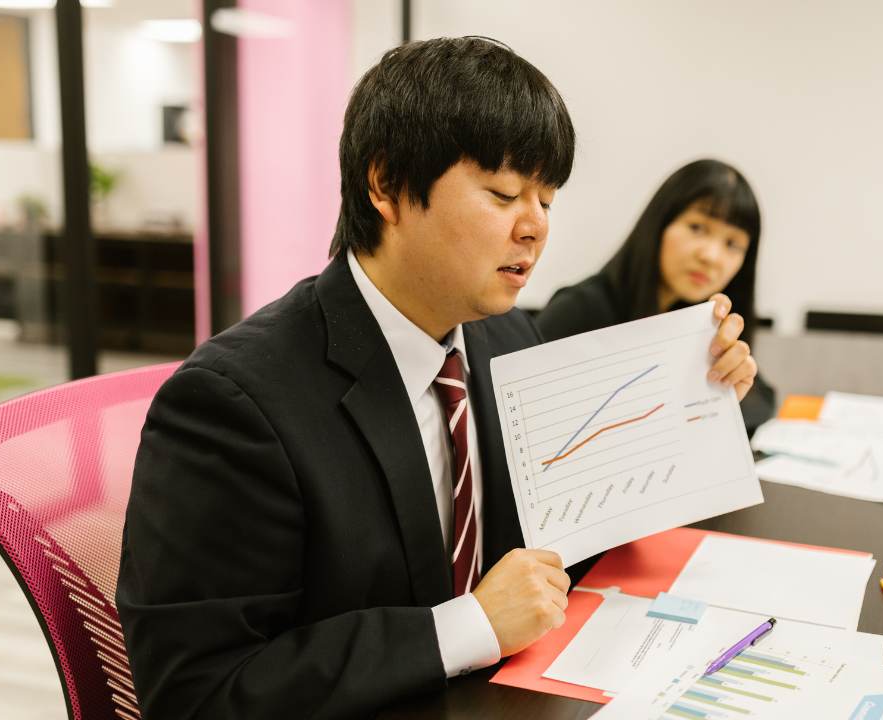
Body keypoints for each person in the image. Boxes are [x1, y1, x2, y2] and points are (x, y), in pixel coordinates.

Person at [116, 38, 759, 719]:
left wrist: (695, 402)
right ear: (387, 185)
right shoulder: (233, 404)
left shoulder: (505, 339)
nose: (535, 228)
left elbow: (567, 523)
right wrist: (471, 625)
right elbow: (195, 694)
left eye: (546, 199)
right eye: (505, 193)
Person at [535, 159, 776, 434]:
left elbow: (763, 398)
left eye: (732, 244)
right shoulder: (581, 309)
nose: (711, 256)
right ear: (659, 224)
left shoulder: (698, 322)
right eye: (697, 227)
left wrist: (728, 380)